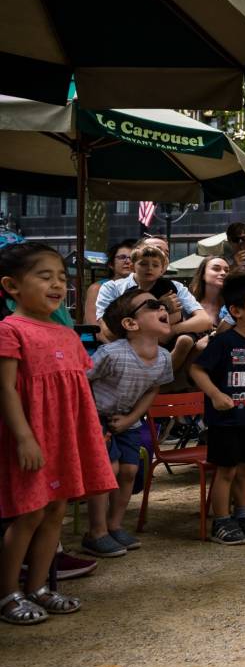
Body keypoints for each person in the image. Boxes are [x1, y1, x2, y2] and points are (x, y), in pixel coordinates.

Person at [0, 243, 114, 625]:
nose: (56, 285)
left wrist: (90, 436)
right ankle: (8, 593)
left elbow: (77, 392)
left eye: (62, 278)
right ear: (12, 286)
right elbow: (5, 389)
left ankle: (39, 587)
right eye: (44, 276)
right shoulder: (9, 330)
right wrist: (24, 437)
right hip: (31, 438)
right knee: (28, 514)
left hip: (64, 438)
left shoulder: (67, 334)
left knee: (56, 511)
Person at [188, 273, 245, 545]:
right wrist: (215, 394)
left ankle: (242, 516)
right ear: (236, 311)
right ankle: (221, 521)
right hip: (226, 422)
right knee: (226, 471)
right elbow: (197, 369)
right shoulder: (224, 342)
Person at [83, 288, 174, 557]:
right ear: (131, 323)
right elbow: (82, 381)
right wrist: (92, 421)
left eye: (162, 305)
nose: (163, 308)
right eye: (153, 305)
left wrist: (131, 419)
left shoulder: (164, 357)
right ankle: (96, 532)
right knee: (108, 471)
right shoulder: (111, 353)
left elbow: (153, 389)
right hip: (96, 418)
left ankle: (115, 526)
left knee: (129, 472)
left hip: (128, 420)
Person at [96, 244, 212, 372]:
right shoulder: (114, 288)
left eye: (155, 265)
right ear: (132, 266)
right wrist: (159, 305)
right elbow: (108, 331)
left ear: (162, 269)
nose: (149, 268)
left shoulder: (172, 287)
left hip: (167, 341)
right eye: (143, 264)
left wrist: (171, 330)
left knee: (186, 340)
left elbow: (202, 320)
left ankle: (163, 377)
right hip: (130, 344)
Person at [84, 239, 137, 326]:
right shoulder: (97, 288)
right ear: (111, 264)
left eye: (132, 258)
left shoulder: (142, 286)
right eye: (122, 257)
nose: (127, 261)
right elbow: (94, 324)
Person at [189, 255, 230, 328]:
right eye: (216, 269)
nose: (223, 273)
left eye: (226, 270)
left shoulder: (233, 306)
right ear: (203, 275)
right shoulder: (188, 305)